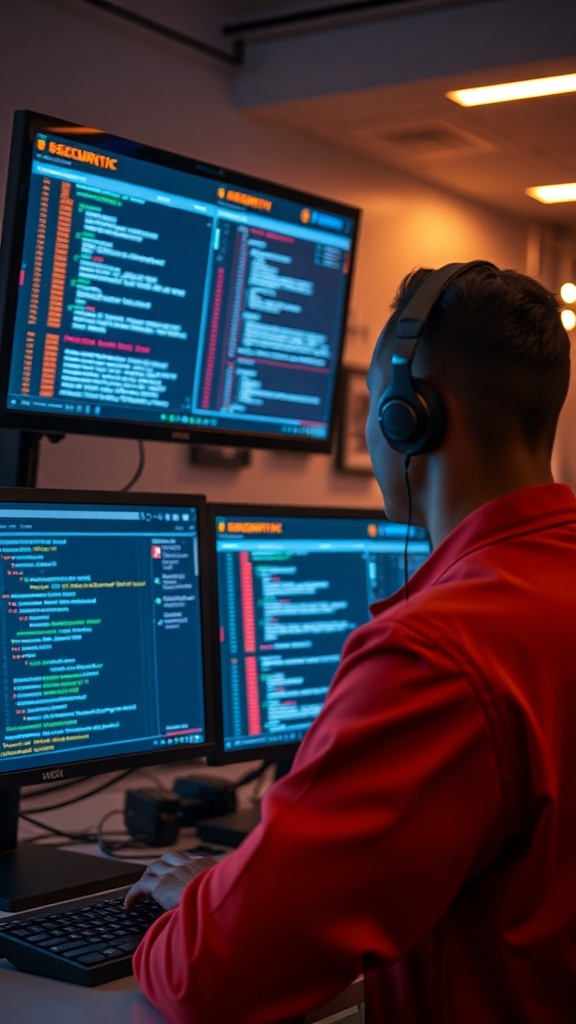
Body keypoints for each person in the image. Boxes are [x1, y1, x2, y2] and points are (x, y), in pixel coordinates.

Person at [125, 261, 576, 1023]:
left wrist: (193, 901)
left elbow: (215, 978)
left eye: (372, 405)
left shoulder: (439, 651)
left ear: (413, 416)